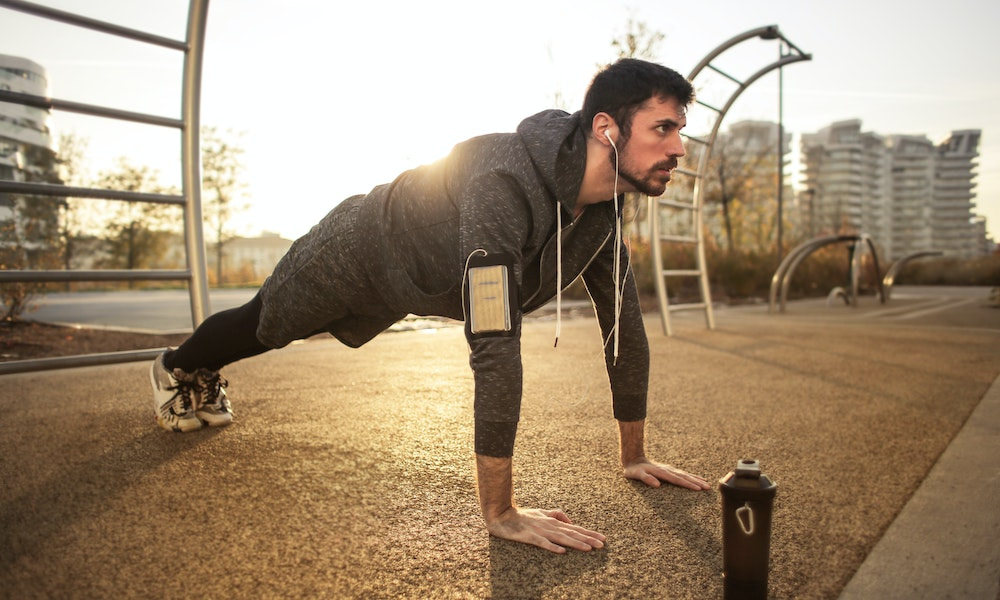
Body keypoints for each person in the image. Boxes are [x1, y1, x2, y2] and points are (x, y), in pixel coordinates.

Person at [149, 58, 712, 554]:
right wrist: (501, 511)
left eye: (681, 130)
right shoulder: (502, 182)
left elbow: (625, 327)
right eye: (662, 128)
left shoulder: (606, 212)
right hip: (359, 248)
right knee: (265, 326)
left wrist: (634, 456)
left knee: (269, 326)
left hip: (419, 281)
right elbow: (494, 338)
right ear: (606, 129)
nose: (679, 148)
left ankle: (196, 368)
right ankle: (178, 364)